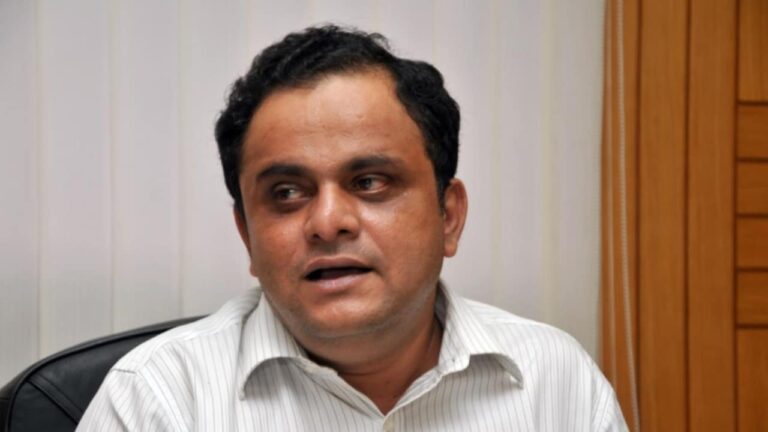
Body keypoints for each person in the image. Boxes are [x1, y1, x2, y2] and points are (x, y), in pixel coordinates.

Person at [78, 25, 627, 431]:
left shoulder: (556, 383)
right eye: (286, 193)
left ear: (449, 216)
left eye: (369, 182)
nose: (327, 223)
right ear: (247, 235)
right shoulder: (158, 400)